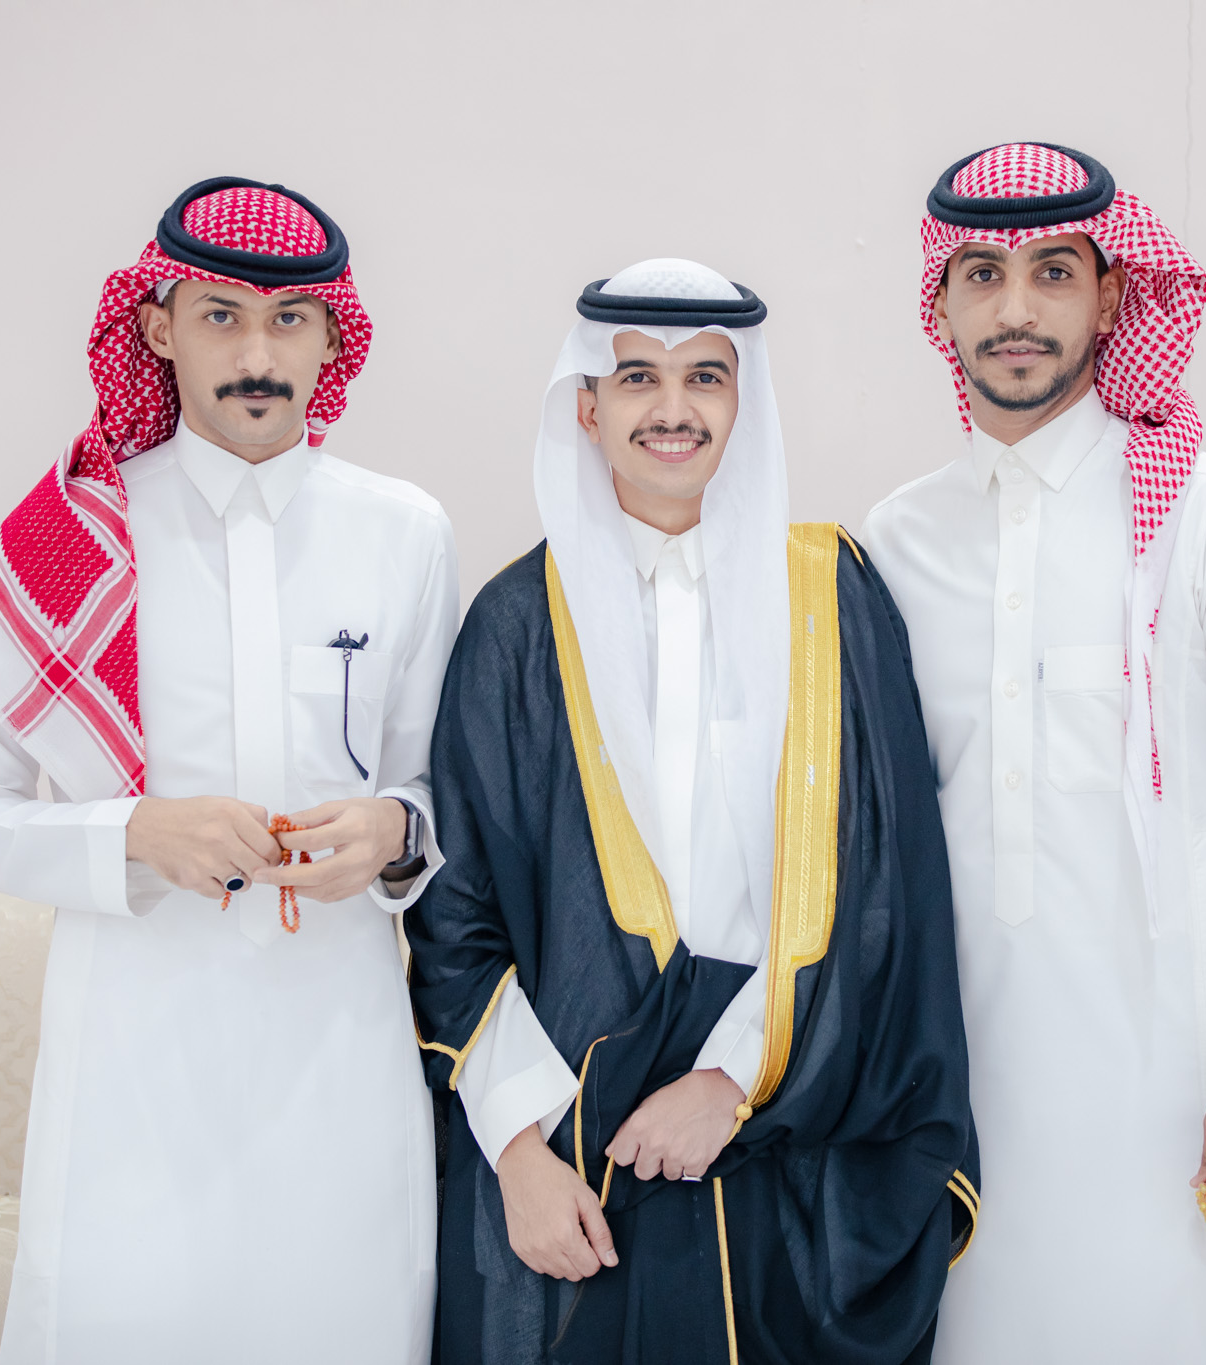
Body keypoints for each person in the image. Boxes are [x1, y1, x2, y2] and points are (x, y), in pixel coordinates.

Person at [406, 259, 977, 1365]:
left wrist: (730, 1076)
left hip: (786, 1124)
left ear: (741, 400)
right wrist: (519, 1156)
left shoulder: (832, 597)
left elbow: (886, 883)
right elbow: (455, 917)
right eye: (637, 379)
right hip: (570, 1149)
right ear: (587, 408)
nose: (673, 409)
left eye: (705, 378)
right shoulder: (516, 623)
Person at [0, 177, 455, 1363]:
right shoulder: (70, 535)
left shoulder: (404, 532)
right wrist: (132, 834)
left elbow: (436, 792)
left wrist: (392, 832)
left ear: (332, 339)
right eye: (220, 317)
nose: (256, 356)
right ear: (158, 328)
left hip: (339, 1050)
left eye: (287, 321)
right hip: (132, 1056)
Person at [862, 142, 1206, 1362]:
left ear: (1112, 295)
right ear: (939, 305)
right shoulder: (898, 537)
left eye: (1052, 272)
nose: (1014, 310)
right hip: (969, 1071)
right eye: (981, 275)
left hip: (1180, 1064)